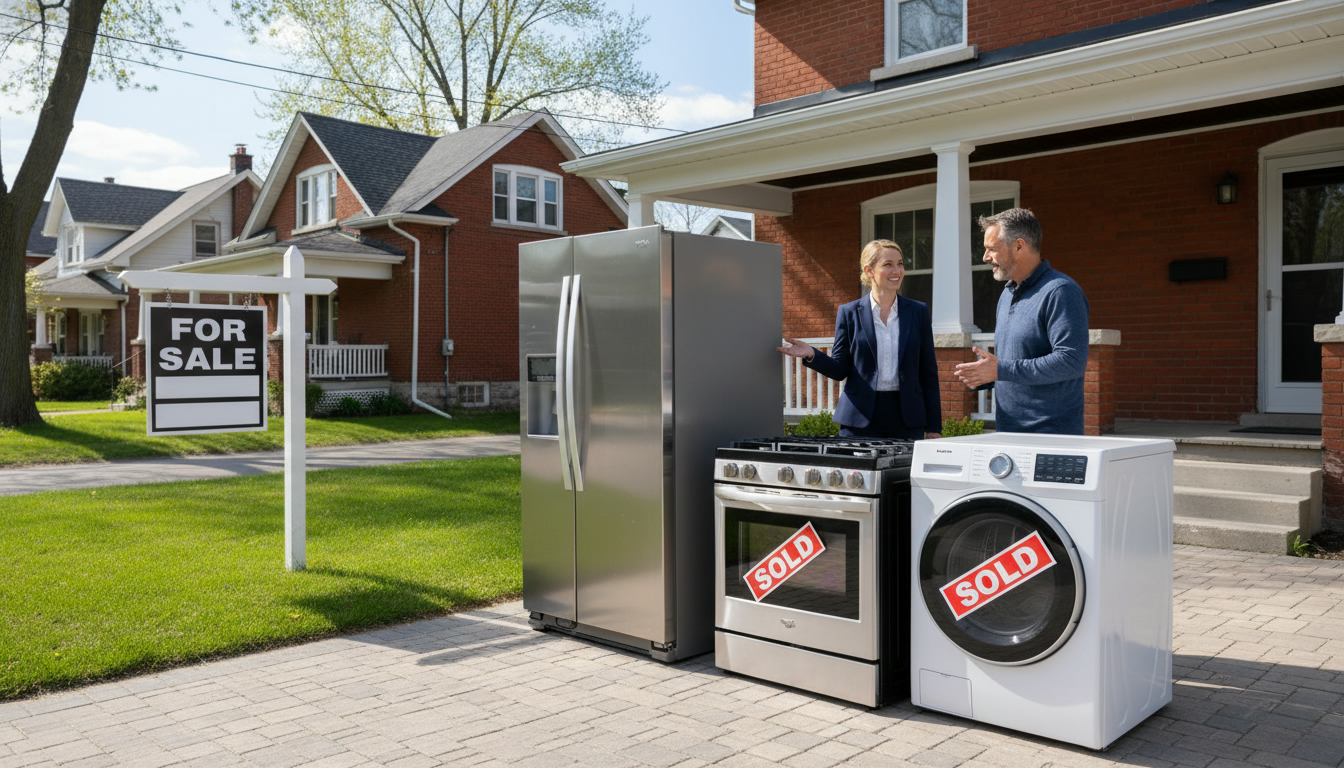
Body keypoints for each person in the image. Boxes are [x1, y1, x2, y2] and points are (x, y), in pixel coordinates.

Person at [779, 240, 941, 440]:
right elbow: (840, 369)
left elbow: (928, 373)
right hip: (860, 417)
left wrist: (934, 427)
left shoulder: (918, 311)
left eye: (900, 263)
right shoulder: (849, 312)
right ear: (869, 270)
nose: (897, 270)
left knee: (903, 472)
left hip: (908, 418)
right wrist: (813, 354)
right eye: (888, 264)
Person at [954, 208, 1089, 434]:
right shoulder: (1007, 293)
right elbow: (1015, 364)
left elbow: (1071, 361)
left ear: (1018, 246)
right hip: (1009, 431)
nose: (985, 257)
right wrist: (984, 375)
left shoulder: (1060, 292)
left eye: (991, 249)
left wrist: (1000, 370)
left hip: (1050, 435)